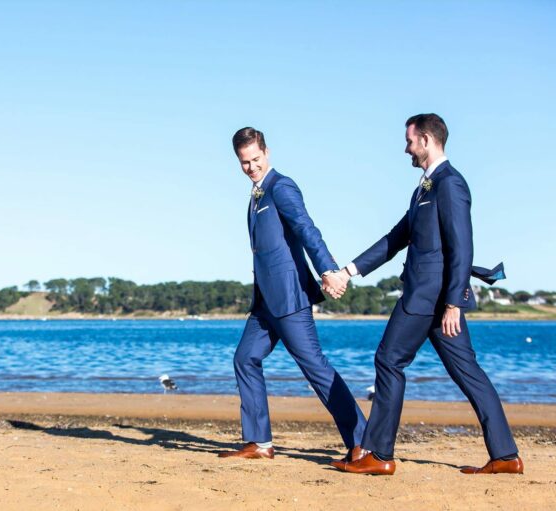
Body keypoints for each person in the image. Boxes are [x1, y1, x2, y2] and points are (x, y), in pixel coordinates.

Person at [331, 114, 522, 475]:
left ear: (427, 140)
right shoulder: (424, 188)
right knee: (468, 373)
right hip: (432, 297)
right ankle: (506, 456)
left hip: (429, 296)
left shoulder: (450, 184)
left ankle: (379, 454)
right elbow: (395, 238)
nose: (406, 148)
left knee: (388, 360)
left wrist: (453, 302)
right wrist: (349, 271)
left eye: (409, 141)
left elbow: (461, 247)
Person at [218, 127, 366, 461]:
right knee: (245, 358)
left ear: (267, 152)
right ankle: (260, 443)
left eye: (255, 159)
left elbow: (306, 228)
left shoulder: (281, 187)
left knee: (315, 367)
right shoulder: (256, 195)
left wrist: (328, 269)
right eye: (244, 162)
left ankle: (362, 441)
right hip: (265, 302)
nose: (251, 167)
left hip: (290, 297)